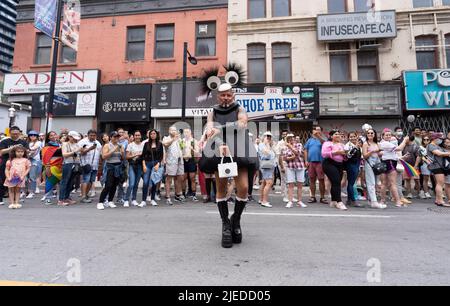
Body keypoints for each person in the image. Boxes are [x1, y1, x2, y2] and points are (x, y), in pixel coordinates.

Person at [202, 82, 258, 248]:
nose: (225, 97)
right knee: (221, 189)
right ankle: (226, 225)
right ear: (218, 96)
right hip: (220, 152)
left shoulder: (239, 109)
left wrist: (222, 129)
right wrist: (220, 143)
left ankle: (236, 219)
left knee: (244, 188)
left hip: (239, 150)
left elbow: (242, 124)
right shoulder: (212, 112)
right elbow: (211, 130)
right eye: (222, 95)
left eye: (228, 94)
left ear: (233, 95)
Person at [378, 129, 408, 207]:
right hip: (390, 163)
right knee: (392, 183)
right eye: (386, 135)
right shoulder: (385, 143)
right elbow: (399, 148)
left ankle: (383, 200)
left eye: (389, 135)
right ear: (383, 136)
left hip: (386, 162)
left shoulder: (385, 143)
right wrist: (404, 140)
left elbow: (390, 155)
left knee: (385, 183)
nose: (388, 136)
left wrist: (400, 157)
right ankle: (397, 201)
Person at [0, 126, 29, 206]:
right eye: (13, 134)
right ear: (10, 133)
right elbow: (1, 152)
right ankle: (1, 198)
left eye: (17, 133)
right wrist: (11, 149)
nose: (15, 135)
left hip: (20, 165)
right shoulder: (5, 141)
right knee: (3, 180)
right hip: (7, 163)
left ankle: (16, 200)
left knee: (18, 182)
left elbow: (27, 151)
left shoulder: (23, 142)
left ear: (19, 133)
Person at [97, 131, 125, 210]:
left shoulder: (120, 145)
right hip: (110, 166)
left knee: (114, 185)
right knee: (108, 185)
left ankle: (110, 201)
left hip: (118, 166)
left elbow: (122, 158)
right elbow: (104, 157)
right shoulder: (107, 145)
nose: (116, 138)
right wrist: (113, 150)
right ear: (111, 137)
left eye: (117, 137)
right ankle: (100, 202)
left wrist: (122, 152)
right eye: (114, 137)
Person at [321, 130, 347, 210]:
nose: (338, 135)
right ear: (331, 136)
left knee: (336, 182)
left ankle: (333, 200)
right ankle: (339, 202)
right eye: (336, 134)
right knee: (336, 181)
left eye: (339, 134)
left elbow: (345, 156)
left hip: (339, 164)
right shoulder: (327, 143)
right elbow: (324, 154)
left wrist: (345, 154)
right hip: (329, 163)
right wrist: (336, 152)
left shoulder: (342, 145)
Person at [304, 125, 327, 204]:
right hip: (311, 162)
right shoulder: (310, 140)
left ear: (321, 131)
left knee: (321, 180)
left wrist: (318, 136)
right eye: (315, 130)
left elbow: (324, 144)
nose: (316, 131)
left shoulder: (323, 139)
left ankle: (322, 197)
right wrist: (306, 160)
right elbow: (306, 150)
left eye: (318, 130)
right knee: (312, 180)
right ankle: (312, 196)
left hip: (320, 162)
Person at [283, 134, 307, 208]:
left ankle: (299, 201)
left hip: (300, 166)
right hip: (290, 166)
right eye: (289, 138)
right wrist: (291, 157)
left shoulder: (299, 144)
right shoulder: (285, 147)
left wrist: (290, 148)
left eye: (292, 138)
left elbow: (298, 153)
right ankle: (290, 201)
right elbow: (284, 158)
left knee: (300, 184)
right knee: (291, 184)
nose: (291, 139)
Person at [162, 126, 185, 204]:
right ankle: (168, 197)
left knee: (179, 178)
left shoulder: (179, 139)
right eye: (172, 130)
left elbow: (182, 148)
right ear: (169, 131)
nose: (174, 131)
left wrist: (180, 141)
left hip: (180, 160)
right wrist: (173, 139)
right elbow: (165, 145)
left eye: (175, 130)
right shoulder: (166, 138)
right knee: (169, 179)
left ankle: (177, 195)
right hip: (171, 161)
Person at [142, 129, 164, 207]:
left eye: (154, 133)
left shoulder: (160, 144)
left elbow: (161, 156)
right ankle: (143, 200)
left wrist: (158, 164)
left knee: (154, 181)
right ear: (149, 135)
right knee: (145, 182)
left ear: (156, 135)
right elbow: (143, 156)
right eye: (151, 134)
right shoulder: (146, 144)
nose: (153, 135)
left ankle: (152, 199)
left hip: (156, 164)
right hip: (147, 164)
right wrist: (144, 165)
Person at [78, 130, 101, 204]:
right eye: (91, 135)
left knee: (91, 181)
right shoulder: (82, 142)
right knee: (86, 180)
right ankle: (83, 196)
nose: (92, 137)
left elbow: (100, 153)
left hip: (95, 165)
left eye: (94, 135)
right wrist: (89, 149)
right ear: (88, 135)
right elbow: (79, 153)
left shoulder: (97, 143)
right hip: (86, 165)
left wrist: (100, 164)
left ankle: (86, 195)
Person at [59, 131, 82, 206]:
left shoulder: (76, 144)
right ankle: (61, 200)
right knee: (64, 181)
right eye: (74, 138)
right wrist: (75, 152)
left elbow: (79, 153)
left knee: (71, 182)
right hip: (67, 164)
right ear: (69, 137)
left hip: (75, 164)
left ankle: (66, 198)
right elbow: (64, 154)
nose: (76, 139)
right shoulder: (65, 144)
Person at [427, 133, 450, 207]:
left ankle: (437, 200)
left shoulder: (437, 146)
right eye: (440, 138)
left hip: (439, 166)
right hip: (436, 166)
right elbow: (439, 154)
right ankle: (440, 201)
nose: (441, 140)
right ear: (435, 138)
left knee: (440, 183)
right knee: (440, 184)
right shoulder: (431, 145)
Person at [123, 131, 145, 207]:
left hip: (140, 165)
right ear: (134, 136)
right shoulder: (130, 145)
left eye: (139, 135)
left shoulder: (143, 145)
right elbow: (127, 157)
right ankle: (126, 200)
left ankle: (133, 199)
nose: (137, 136)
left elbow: (144, 156)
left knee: (136, 184)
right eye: (136, 135)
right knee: (131, 184)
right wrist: (136, 154)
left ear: (141, 136)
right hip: (132, 165)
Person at [41, 131, 63, 205]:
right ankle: (48, 198)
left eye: (55, 134)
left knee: (61, 184)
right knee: (50, 182)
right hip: (52, 167)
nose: (53, 136)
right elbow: (46, 159)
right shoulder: (46, 147)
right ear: (48, 137)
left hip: (61, 166)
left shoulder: (60, 145)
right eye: (51, 135)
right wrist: (47, 168)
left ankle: (60, 198)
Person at [258, 131, 276, 208]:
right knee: (268, 183)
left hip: (269, 166)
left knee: (264, 183)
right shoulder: (262, 145)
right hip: (266, 166)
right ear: (263, 137)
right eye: (267, 136)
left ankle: (261, 199)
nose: (268, 138)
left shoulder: (268, 145)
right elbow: (267, 155)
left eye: (270, 137)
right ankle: (264, 201)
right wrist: (268, 145)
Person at [344, 132, 362, 207]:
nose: (353, 138)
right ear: (348, 138)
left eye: (354, 136)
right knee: (351, 183)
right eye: (351, 137)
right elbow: (348, 155)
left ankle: (349, 200)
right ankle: (353, 201)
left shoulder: (357, 145)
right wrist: (355, 147)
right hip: (351, 165)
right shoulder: (347, 145)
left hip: (356, 165)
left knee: (351, 183)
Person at [182, 128, 199, 202]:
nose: (186, 133)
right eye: (185, 132)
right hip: (183, 160)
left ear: (190, 133)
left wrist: (192, 149)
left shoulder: (194, 141)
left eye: (187, 132)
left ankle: (194, 194)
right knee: (183, 178)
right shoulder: (181, 141)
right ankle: (183, 194)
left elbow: (197, 152)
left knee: (192, 178)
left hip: (191, 160)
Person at [402, 136, 421, 200]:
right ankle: (409, 193)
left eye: (405, 139)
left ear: (409, 139)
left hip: (414, 165)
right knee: (407, 180)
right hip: (406, 165)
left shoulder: (416, 146)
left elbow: (418, 156)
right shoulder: (403, 146)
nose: (404, 140)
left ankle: (418, 193)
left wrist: (416, 165)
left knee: (417, 180)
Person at [26, 130, 43, 199]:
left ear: (37, 136)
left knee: (33, 176)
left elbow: (34, 148)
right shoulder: (27, 142)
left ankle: (31, 192)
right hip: (26, 160)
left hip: (35, 160)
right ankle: (25, 191)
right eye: (31, 135)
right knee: (26, 177)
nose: (32, 136)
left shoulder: (39, 142)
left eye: (34, 135)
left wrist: (26, 150)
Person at [443, 137, 450, 205]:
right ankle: (449, 199)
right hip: (447, 170)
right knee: (448, 184)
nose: (448, 144)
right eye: (446, 142)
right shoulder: (442, 150)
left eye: (449, 142)